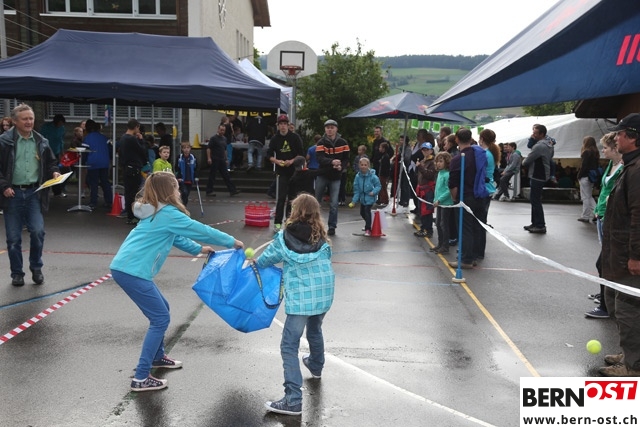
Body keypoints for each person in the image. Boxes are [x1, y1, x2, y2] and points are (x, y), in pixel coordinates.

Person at [110, 171, 243, 391]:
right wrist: (231, 241)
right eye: (176, 187)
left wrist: (199, 249)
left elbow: (176, 237)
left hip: (127, 268)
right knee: (160, 318)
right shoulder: (168, 213)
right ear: (168, 191)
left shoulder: (155, 210)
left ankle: (157, 357)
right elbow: (199, 229)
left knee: (163, 309)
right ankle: (141, 378)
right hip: (132, 271)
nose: (179, 191)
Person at [252, 193, 334, 416]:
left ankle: (293, 400)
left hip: (301, 298)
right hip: (323, 293)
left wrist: (256, 263)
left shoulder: (285, 236)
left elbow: (267, 258)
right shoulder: (321, 236)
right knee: (315, 329)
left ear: (295, 211)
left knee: (289, 345)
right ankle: (315, 365)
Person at [0, 103, 60, 286]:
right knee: (13, 238)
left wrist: (55, 172)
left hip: (35, 193)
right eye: (24, 119)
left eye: (31, 118)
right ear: (15, 121)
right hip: (12, 194)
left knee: (37, 231)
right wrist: (4, 186)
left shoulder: (42, 141)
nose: (29, 122)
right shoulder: (4, 142)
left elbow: (51, 163)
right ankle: (17, 273)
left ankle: (36, 267)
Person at [599, 113, 640, 377]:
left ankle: (633, 366)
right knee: (620, 306)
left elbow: (638, 215)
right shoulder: (631, 165)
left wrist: (636, 256)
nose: (616, 138)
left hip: (628, 256)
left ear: (633, 137)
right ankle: (630, 354)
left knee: (628, 310)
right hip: (619, 253)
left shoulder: (637, 170)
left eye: (621, 133)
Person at [585, 132, 623, 319]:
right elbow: (604, 191)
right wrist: (598, 210)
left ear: (616, 149)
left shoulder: (624, 168)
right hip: (601, 215)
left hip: (611, 218)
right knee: (604, 258)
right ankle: (605, 295)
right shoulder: (611, 165)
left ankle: (606, 306)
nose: (603, 151)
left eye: (606, 148)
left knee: (604, 262)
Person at [447, 128, 488, 269]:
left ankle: (466, 259)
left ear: (457, 139)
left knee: (465, 229)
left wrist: (454, 199)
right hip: (480, 194)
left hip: (465, 196)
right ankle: (474, 256)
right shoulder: (479, 154)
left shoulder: (458, 159)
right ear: (471, 139)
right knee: (477, 227)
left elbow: (453, 183)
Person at [267, 114, 304, 232]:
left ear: (288, 125)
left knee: (292, 198)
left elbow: (301, 154)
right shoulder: (275, 138)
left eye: (284, 124)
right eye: (280, 124)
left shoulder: (295, 137)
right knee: (281, 197)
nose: (283, 126)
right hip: (281, 171)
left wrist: (291, 161)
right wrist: (277, 161)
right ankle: (277, 222)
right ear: (278, 126)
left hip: (294, 171)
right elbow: (269, 155)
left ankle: (289, 221)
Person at [315, 119, 350, 236]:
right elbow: (319, 158)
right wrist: (332, 162)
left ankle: (332, 226)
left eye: (332, 127)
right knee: (316, 201)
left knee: (334, 203)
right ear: (325, 129)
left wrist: (341, 166)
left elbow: (346, 158)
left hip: (336, 176)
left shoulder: (343, 142)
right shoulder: (321, 142)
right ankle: (315, 224)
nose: (330, 130)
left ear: (336, 129)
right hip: (323, 174)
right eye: (327, 127)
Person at [522, 124, 555, 234]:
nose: (533, 135)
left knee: (535, 200)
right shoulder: (550, 144)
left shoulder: (539, 146)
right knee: (535, 200)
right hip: (543, 174)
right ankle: (535, 223)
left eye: (535, 133)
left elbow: (527, 161)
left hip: (537, 174)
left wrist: (524, 162)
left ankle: (540, 225)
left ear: (542, 134)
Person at [476, 129, 500, 261]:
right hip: (488, 188)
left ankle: (479, 250)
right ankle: (479, 250)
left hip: (484, 189)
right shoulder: (490, 153)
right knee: (481, 220)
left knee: (480, 221)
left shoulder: (485, 154)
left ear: (482, 139)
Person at [118, 119, 148, 224]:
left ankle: (129, 215)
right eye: (138, 128)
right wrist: (141, 140)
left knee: (128, 192)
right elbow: (142, 151)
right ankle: (133, 215)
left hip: (126, 167)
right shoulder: (132, 139)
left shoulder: (123, 138)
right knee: (134, 193)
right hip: (134, 167)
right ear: (136, 127)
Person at [83, 119, 113, 210]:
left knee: (93, 183)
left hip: (93, 163)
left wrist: (83, 162)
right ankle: (109, 201)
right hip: (104, 162)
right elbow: (110, 150)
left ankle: (93, 202)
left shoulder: (87, 138)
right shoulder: (104, 138)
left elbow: (84, 152)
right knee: (105, 182)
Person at [206, 123, 241, 198]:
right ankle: (209, 191)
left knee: (226, 175)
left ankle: (232, 190)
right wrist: (209, 158)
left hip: (222, 159)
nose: (222, 131)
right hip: (215, 159)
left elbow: (224, 150)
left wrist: (226, 159)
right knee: (212, 175)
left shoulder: (224, 139)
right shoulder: (213, 138)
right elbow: (209, 148)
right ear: (218, 129)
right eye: (221, 130)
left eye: (223, 130)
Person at [351, 157, 381, 236]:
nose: (363, 166)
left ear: (368, 165)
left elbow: (378, 186)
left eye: (365, 165)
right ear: (359, 165)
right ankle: (369, 223)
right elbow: (356, 190)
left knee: (367, 212)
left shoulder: (373, 176)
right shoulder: (358, 177)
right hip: (362, 199)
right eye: (362, 165)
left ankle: (368, 229)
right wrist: (354, 201)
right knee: (362, 213)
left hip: (370, 198)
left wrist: (373, 192)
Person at [39, 113, 67, 197]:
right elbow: (40, 139)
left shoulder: (62, 128)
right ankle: (44, 190)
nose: (60, 125)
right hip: (46, 152)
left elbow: (61, 140)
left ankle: (57, 191)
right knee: (45, 171)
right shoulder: (46, 127)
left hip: (56, 152)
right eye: (60, 123)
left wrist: (62, 152)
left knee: (56, 171)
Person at [431, 152, 453, 254]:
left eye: (441, 161)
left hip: (446, 203)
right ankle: (440, 244)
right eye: (437, 161)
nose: (438, 164)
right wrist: (435, 199)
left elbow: (448, 190)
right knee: (438, 223)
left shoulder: (447, 174)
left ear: (446, 162)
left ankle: (445, 246)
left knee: (444, 224)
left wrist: (439, 199)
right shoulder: (440, 173)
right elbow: (438, 189)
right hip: (439, 203)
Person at [413, 142, 436, 238]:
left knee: (427, 211)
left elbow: (429, 175)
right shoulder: (423, 161)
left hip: (428, 190)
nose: (425, 151)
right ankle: (423, 228)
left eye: (427, 150)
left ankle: (428, 230)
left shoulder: (432, 162)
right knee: (421, 211)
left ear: (431, 150)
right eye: (423, 150)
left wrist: (420, 167)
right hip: (421, 189)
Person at [577, 136, 600, 222]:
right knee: (589, 196)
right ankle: (593, 213)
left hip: (585, 176)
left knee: (586, 197)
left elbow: (584, 166)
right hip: (591, 177)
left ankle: (589, 215)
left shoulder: (586, 152)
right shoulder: (595, 153)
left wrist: (579, 176)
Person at [175, 141, 197, 206]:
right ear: (182, 149)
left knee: (186, 194)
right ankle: (183, 206)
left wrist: (196, 176)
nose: (186, 149)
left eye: (188, 148)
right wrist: (178, 177)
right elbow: (177, 168)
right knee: (184, 192)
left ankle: (183, 205)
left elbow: (196, 168)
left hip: (190, 179)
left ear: (190, 148)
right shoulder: (179, 157)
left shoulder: (193, 157)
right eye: (184, 148)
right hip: (182, 179)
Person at [377, 142, 391, 206]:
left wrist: (385, 175)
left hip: (383, 174)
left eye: (380, 147)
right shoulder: (383, 156)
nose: (379, 148)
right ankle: (382, 199)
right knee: (382, 187)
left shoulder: (386, 157)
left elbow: (386, 167)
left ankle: (385, 200)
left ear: (384, 149)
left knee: (383, 187)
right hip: (382, 174)